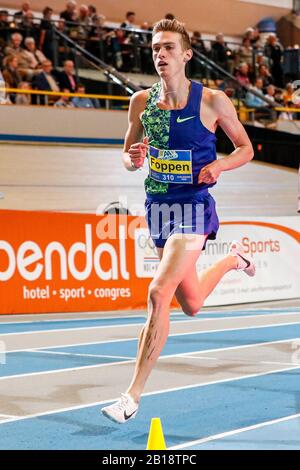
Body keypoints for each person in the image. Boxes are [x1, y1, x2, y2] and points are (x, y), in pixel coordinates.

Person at [101, 19, 256, 424]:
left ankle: (131, 396)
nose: (160, 54)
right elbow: (127, 155)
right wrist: (132, 159)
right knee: (191, 304)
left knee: (158, 292)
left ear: (187, 55)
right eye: (155, 48)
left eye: (169, 47)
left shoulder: (212, 101)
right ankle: (234, 260)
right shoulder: (141, 102)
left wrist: (221, 165)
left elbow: (246, 148)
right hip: (159, 208)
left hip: (193, 207)